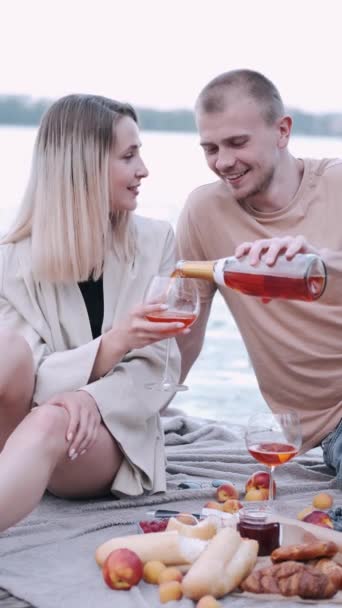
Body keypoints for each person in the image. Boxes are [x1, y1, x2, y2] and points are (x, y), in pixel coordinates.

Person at [0, 94, 187, 532]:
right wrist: (113, 344)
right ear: (82, 167)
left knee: (50, 419)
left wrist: (89, 398)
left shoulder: (157, 241)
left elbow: (160, 365)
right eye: (129, 156)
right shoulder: (9, 260)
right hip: (14, 422)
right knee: (6, 350)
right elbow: (24, 374)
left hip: (103, 433)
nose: (143, 170)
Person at [176, 69, 342, 480]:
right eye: (210, 148)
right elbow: (183, 337)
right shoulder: (204, 212)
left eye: (237, 142)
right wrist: (135, 418)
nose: (223, 161)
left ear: (282, 131)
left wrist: (320, 263)